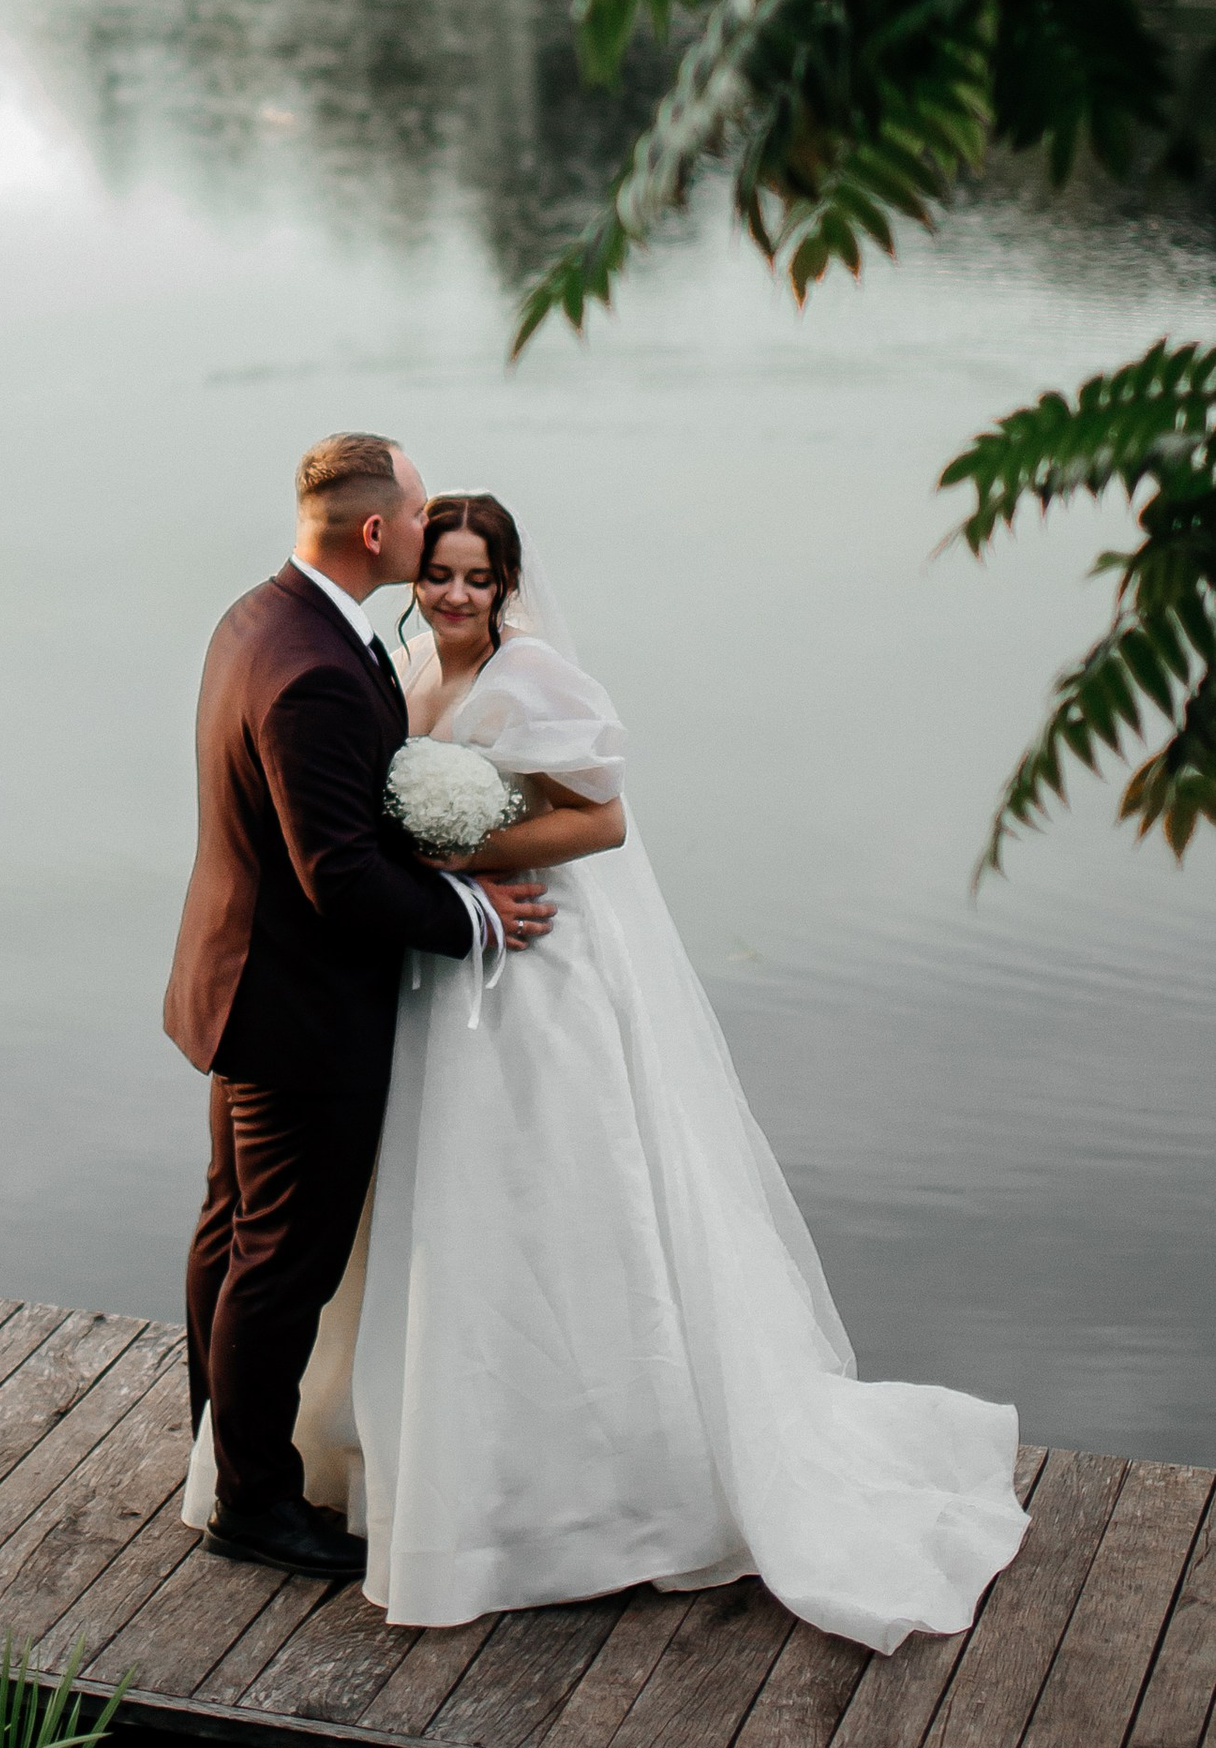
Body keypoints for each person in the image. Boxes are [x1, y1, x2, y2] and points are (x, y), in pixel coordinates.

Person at [273, 491, 1029, 1652]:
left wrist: (453, 851)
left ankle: (601, 1497)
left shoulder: (536, 681)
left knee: (553, 1198)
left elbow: (602, 823)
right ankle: (447, 1465)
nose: (456, 594)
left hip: (535, 968)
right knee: (448, 1206)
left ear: (506, 582)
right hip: (450, 966)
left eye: (477, 576)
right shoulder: (408, 662)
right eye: (439, 575)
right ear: (414, 579)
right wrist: (430, 876)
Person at [162, 435, 553, 1582]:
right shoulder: (320, 670)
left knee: (233, 1229)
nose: (430, 530)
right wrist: (478, 916)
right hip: (299, 1008)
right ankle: (253, 1503)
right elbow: (337, 875)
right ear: (376, 532)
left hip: (240, 977)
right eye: (420, 514)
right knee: (282, 1257)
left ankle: (219, 1443)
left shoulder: (260, 617)